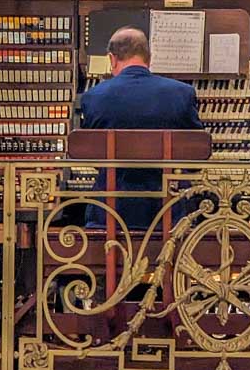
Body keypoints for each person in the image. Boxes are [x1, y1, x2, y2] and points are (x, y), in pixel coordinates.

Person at [80, 26, 203, 231]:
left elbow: (89, 156)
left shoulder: (94, 97)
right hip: (169, 211)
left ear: (112, 58)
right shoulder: (182, 93)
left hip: (111, 211)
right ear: (149, 58)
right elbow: (196, 156)